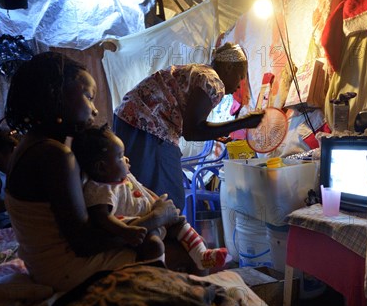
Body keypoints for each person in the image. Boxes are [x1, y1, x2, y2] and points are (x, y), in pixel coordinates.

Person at [3, 52, 195, 292]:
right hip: (64, 268)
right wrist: (155, 218)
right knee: (181, 254)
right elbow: (84, 243)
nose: (94, 109)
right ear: (57, 95)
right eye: (88, 96)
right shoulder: (55, 156)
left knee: (165, 241)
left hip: (43, 264)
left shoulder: (36, 143)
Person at [113, 42, 264, 213]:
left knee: (140, 194)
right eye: (240, 76)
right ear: (228, 68)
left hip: (128, 119)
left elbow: (192, 124)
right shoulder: (213, 82)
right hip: (147, 127)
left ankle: (147, 234)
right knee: (169, 201)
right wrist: (244, 122)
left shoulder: (199, 71)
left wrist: (215, 132)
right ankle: (160, 237)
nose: (239, 85)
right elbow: (192, 132)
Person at [71, 125, 229, 270]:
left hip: (153, 220)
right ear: (101, 167)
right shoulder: (100, 189)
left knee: (181, 224)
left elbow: (143, 191)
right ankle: (158, 275)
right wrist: (125, 231)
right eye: (120, 157)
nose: (126, 159)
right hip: (140, 230)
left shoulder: (121, 177)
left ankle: (201, 254)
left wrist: (159, 203)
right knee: (154, 245)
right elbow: (102, 217)